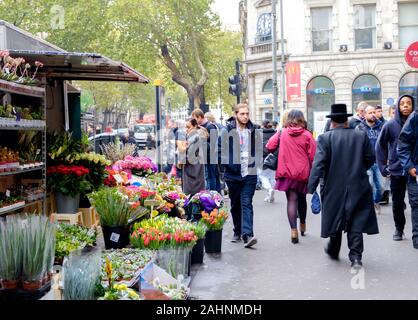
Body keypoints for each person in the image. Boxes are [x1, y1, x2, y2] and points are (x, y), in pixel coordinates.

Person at [308, 104, 379, 269]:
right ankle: (356, 257)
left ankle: (334, 249)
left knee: (335, 219)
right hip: (358, 184)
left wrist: (311, 186)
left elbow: (318, 164)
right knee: (356, 221)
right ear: (346, 120)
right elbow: (370, 158)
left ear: (332, 121)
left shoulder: (325, 138)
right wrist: (359, 169)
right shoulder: (360, 136)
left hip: (333, 186)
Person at [266, 110, 316, 244]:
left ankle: (293, 230)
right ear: (302, 119)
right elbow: (313, 156)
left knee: (291, 200)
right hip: (302, 173)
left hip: (286, 172)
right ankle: (303, 225)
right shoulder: (307, 135)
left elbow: (269, 146)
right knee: (302, 199)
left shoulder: (282, 132)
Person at [218, 103, 262, 248]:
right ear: (235, 114)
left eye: (247, 114)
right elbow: (219, 150)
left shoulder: (254, 129)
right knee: (235, 204)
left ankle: (248, 234)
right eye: (242, 114)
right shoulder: (226, 130)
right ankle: (237, 230)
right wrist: (227, 165)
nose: (245, 116)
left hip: (249, 173)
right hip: (233, 174)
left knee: (246, 203)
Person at [376, 95, 414, 241]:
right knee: (397, 202)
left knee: (415, 202)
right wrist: (383, 166)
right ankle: (399, 229)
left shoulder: (416, 123)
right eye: (402, 103)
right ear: (397, 106)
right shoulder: (390, 125)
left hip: (414, 170)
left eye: (409, 103)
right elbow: (380, 145)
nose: (405, 106)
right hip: (397, 170)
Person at [396, 95, 418, 250]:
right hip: (415, 172)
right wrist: (409, 167)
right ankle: (416, 237)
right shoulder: (415, 118)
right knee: (416, 204)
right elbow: (402, 144)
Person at [356, 105, 384, 214]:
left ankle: (376, 201)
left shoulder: (382, 126)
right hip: (366, 163)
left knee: (381, 187)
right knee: (370, 185)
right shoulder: (359, 128)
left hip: (379, 162)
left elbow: (387, 143)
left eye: (374, 112)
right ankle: (371, 204)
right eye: (370, 113)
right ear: (365, 115)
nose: (372, 114)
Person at [177, 118, 207, 217]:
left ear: (194, 126)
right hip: (195, 170)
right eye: (185, 127)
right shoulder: (193, 136)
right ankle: (195, 217)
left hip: (193, 172)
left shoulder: (195, 137)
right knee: (195, 197)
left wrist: (181, 155)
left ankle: (193, 218)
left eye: (188, 127)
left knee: (192, 197)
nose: (186, 129)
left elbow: (189, 157)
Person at [192, 108, 221, 193]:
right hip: (209, 156)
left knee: (211, 177)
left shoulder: (210, 126)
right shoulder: (205, 126)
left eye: (195, 119)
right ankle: (217, 196)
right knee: (213, 176)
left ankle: (213, 196)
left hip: (210, 156)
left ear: (200, 117)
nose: (194, 121)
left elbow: (213, 143)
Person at [260, 120, 277, 203]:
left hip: (262, 158)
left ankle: (269, 189)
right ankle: (270, 194)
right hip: (273, 158)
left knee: (262, 176)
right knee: (272, 177)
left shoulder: (259, 134)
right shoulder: (275, 133)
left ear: (263, 125)